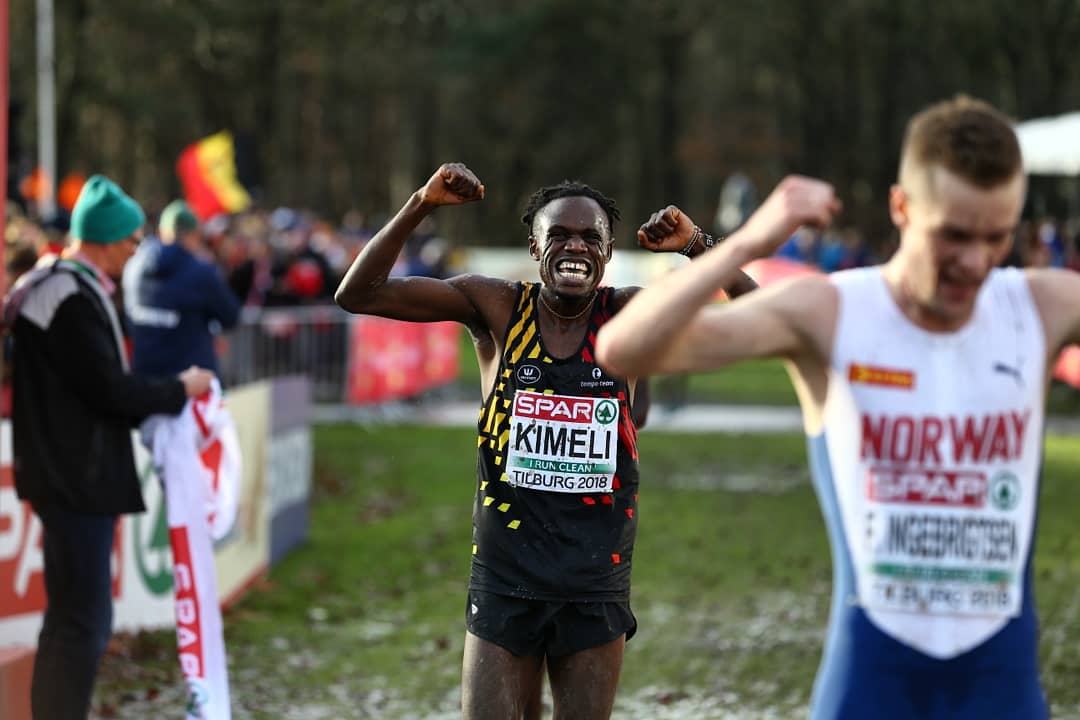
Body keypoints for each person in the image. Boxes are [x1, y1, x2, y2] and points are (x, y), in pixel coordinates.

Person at [595, 96, 1066, 719]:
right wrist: (751, 240)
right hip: (870, 684)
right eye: (953, 234)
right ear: (902, 207)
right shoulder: (833, 311)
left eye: (997, 236)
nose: (975, 262)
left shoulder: (1038, 306)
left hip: (1000, 689)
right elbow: (624, 347)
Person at [335, 163, 756, 719]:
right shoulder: (498, 307)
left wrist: (698, 244)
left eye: (590, 236)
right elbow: (358, 293)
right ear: (535, 249)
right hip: (506, 574)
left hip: (594, 578)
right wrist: (421, 203)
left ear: (608, 252)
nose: (573, 246)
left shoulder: (629, 312)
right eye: (557, 235)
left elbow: (760, 316)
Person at [4, 175, 216, 719]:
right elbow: (107, 389)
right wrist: (179, 390)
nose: (136, 249)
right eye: (130, 238)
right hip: (75, 475)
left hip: (71, 470)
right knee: (83, 623)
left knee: (72, 620)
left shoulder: (62, 283)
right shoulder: (67, 291)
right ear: (102, 236)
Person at [123, 199, 241, 376]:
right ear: (194, 235)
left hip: (144, 383)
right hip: (192, 384)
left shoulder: (132, 265)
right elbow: (231, 316)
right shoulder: (200, 271)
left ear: (162, 232)